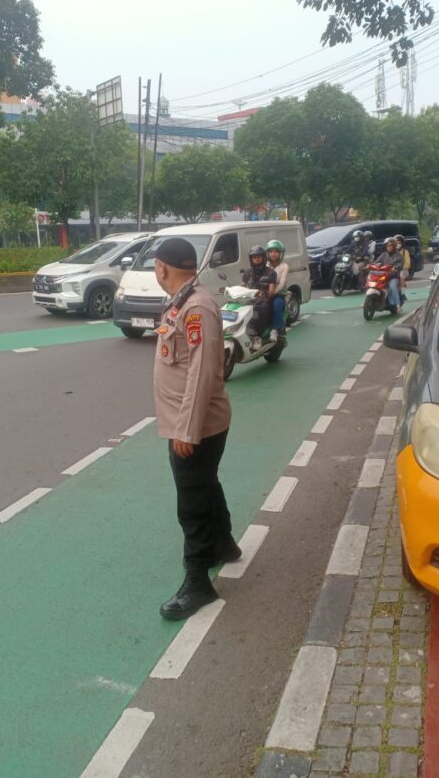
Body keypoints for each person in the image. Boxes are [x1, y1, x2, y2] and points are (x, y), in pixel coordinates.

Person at [153, 237, 240, 621]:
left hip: (195, 427)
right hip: (188, 422)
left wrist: (186, 431)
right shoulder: (183, 301)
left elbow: (203, 372)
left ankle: (198, 581)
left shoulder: (197, 307)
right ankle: (224, 545)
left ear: (161, 268)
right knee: (206, 484)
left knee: (191, 501)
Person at [241, 245, 277, 350]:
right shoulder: (248, 272)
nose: (256, 259)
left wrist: (265, 294)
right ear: (251, 259)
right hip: (251, 299)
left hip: (264, 300)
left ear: (263, 257)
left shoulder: (271, 272)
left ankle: (258, 337)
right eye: (254, 257)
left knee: (258, 309)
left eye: (259, 256)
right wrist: (231, 290)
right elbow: (242, 285)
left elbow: (271, 290)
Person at [266, 238, 288, 340]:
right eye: (271, 251)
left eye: (276, 251)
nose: (273, 254)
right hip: (265, 293)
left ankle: (276, 328)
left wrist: (272, 293)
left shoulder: (284, 266)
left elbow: (282, 283)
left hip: (279, 294)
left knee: (276, 305)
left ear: (280, 253)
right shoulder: (265, 265)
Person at [375, 237, 403, 311]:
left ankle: (397, 305)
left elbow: (400, 265)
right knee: (373, 284)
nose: (389, 247)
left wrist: (395, 268)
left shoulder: (398, 255)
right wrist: (370, 265)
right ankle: (369, 300)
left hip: (393, 277)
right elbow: (376, 262)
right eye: (388, 246)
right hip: (382, 275)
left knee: (392, 286)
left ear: (394, 246)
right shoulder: (384, 255)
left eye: (391, 246)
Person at [394, 234, 411, 304]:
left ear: (402, 243)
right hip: (393, 270)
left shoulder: (405, 252)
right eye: (396, 243)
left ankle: (403, 294)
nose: (398, 244)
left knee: (401, 275)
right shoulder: (392, 251)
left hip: (403, 270)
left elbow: (408, 264)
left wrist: (400, 268)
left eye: (399, 243)